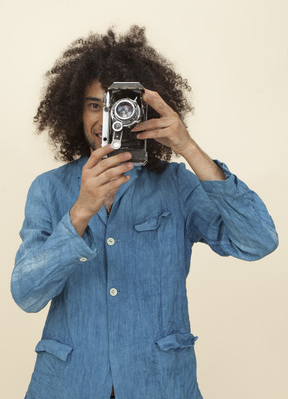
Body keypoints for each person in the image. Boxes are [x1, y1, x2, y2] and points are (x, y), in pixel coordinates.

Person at [11, 26, 278, 399]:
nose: (105, 120)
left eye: (118, 106)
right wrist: (81, 210)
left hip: (161, 384)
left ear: (144, 108)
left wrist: (188, 146)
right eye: (94, 105)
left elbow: (258, 241)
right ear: (74, 108)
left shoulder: (178, 185)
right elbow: (27, 295)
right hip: (68, 385)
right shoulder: (48, 188)